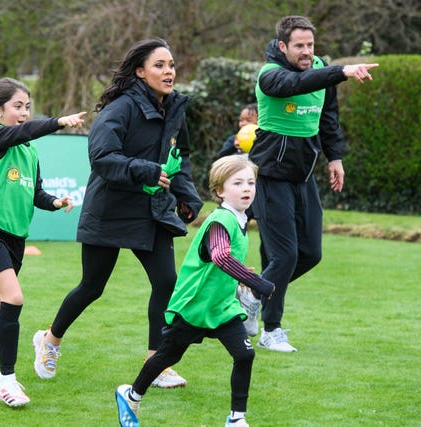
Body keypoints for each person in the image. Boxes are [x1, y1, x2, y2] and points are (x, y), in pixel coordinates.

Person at [32, 38, 203, 389]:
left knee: (166, 284)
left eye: (171, 65)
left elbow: (178, 158)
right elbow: (102, 157)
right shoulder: (120, 108)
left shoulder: (175, 108)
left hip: (152, 209)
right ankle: (50, 339)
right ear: (140, 72)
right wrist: (145, 170)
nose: (169, 71)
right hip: (109, 208)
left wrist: (188, 197)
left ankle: (156, 362)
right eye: (159, 65)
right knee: (92, 287)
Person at [0, 77, 86, 407]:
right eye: (17, 107)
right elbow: (21, 132)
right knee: (14, 298)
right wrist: (57, 122)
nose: (24, 113)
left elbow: (35, 192)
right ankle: (6, 382)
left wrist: (55, 201)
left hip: (16, 237)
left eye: (28, 107)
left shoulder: (30, 150)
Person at [248, 15, 378, 352]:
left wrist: (335, 158)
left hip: (303, 176)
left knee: (311, 254)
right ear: (282, 46)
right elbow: (295, 85)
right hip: (270, 175)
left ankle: (253, 292)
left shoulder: (321, 69)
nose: (307, 52)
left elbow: (328, 118)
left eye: (310, 45)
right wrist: (342, 71)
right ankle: (270, 330)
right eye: (299, 46)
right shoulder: (270, 75)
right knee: (286, 255)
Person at [115, 154, 275, 427]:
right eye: (237, 183)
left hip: (221, 307)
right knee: (168, 355)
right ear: (220, 191)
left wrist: (244, 281)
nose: (247, 188)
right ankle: (131, 395)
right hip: (194, 306)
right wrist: (258, 282)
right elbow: (221, 257)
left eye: (251, 182)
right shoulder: (220, 221)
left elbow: (226, 263)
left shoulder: (240, 219)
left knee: (245, 354)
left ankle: (237, 419)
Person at [215, 103, 264, 338]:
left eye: (248, 120)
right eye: (241, 120)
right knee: (229, 243)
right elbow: (218, 164)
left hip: (254, 203)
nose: (243, 124)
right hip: (230, 206)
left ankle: (245, 295)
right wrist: (232, 148)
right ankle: (235, 288)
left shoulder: (263, 141)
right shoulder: (232, 142)